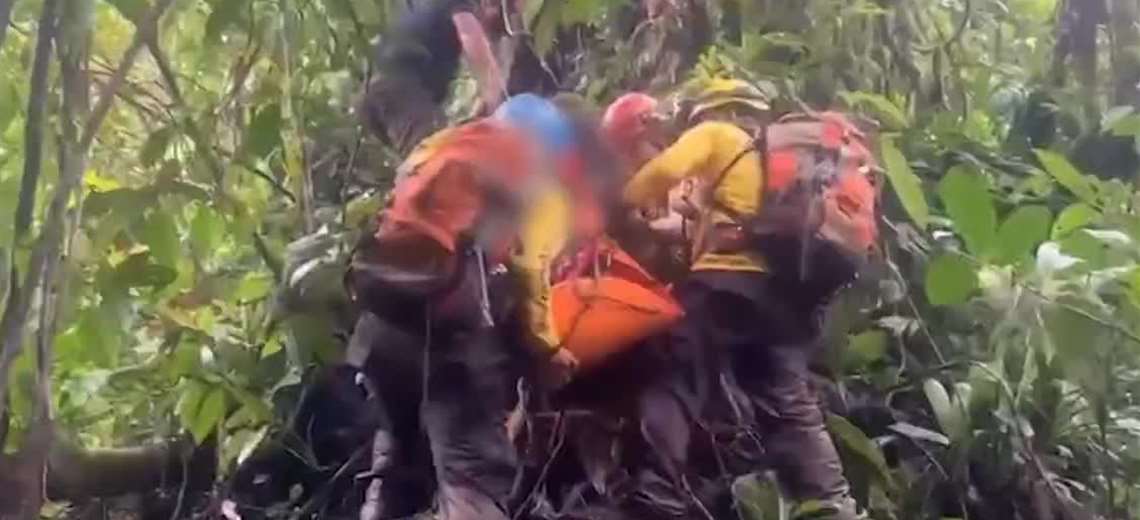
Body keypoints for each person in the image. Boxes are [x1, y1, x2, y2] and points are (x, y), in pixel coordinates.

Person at [620, 78, 862, 519]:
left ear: (714, 112)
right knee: (790, 407)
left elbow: (660, 174)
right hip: (780, 302)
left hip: (723, 287)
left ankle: (658, 498)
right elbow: (716, 227)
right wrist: (656, 228)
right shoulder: (772, 169)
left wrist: (616, 205)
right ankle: (833, 504)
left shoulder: (718, 135)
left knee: (673, 377)